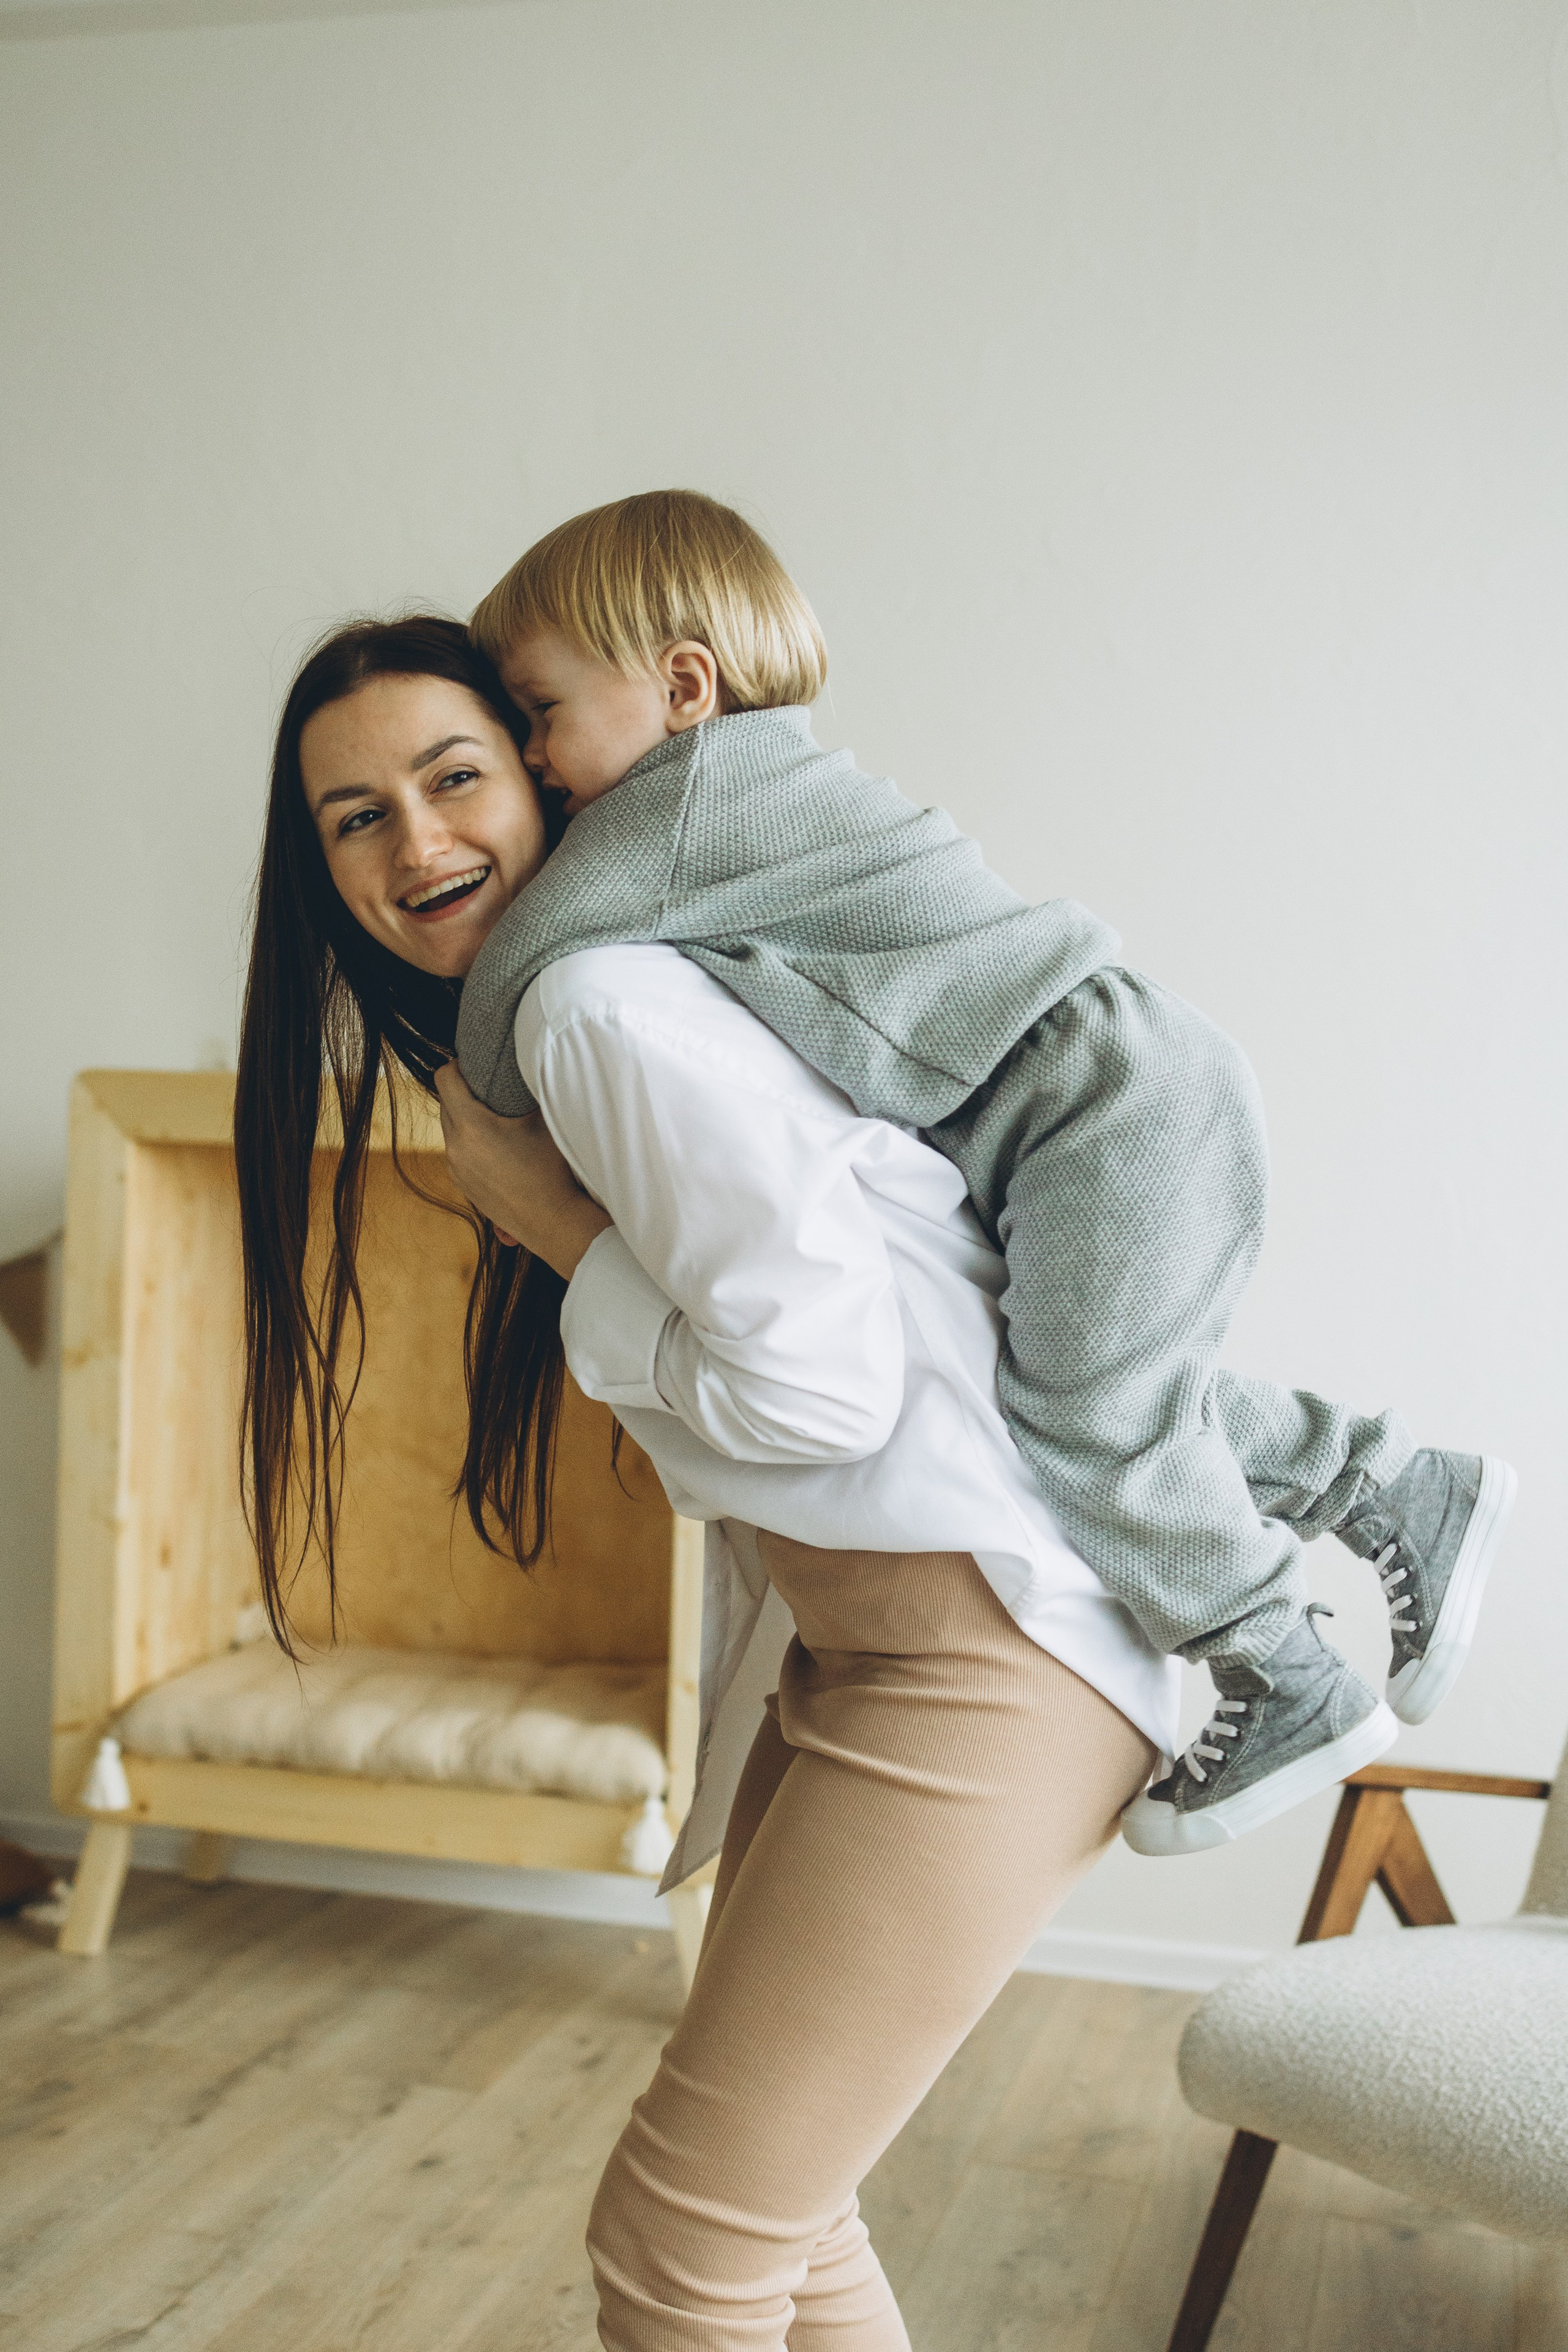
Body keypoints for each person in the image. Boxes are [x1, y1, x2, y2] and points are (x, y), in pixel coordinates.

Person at [453, 489, 1516, 1855]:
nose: (531, 760)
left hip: (1101, 1104)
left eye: (536, 712)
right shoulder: (747, 787)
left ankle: (1275, 1665)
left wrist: (472, 1107)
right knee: (1091, 1389)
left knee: (1088, 1423)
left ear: (677, 686)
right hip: (1113, 1088)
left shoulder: (676, 807)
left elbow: (521, 952)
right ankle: (1388, 1483)